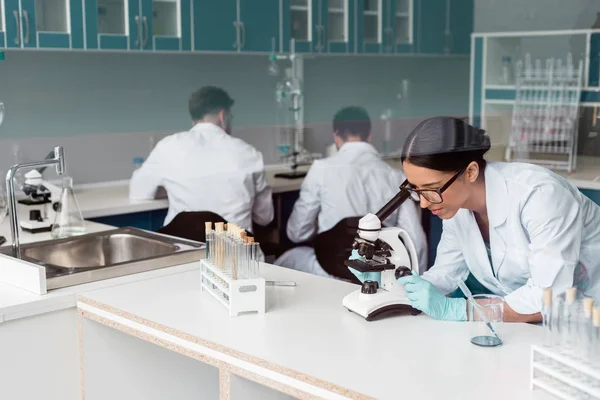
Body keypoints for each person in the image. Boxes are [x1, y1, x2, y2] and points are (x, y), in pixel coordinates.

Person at [351, 116, 600, 322]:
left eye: (432, 189)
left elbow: (549, 298)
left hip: (587, 320)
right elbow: (446, 275)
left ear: (470, 171)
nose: (424, 203)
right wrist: (394, 285)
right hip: (529, 326)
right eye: (416, 189)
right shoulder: (455, 206)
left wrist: (461, 311)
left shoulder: (540, 196)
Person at [276, 106, 427, 278]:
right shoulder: (395, 176)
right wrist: (414, 283)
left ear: (336, 135)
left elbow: (297, 233)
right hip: (378, 275)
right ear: (369, 135)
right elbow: (417, 241)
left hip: (329, 271)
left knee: (285, 261)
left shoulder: (321, 169)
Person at [129, 86, 274, 232]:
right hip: (237, 252)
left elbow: (138, 192)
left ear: (194, 120)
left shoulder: (169, 146)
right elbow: (265, 218)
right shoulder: (249, 153)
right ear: (223, 116)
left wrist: (170, 186)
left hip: (186, 252)